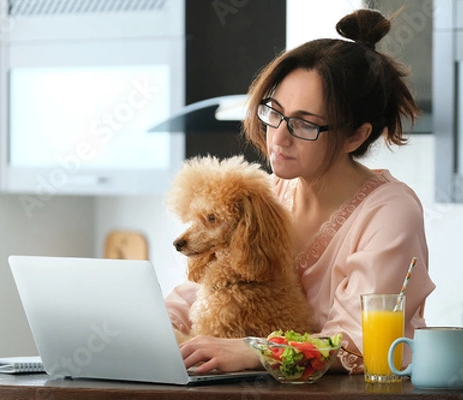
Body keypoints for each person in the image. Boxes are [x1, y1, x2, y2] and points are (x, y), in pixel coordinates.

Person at [165, 8, 436, 375]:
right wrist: (152, 324)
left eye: (304, 124)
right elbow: (204, 290)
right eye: (274, 112)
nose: (278, 136)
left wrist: (254, 351)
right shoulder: (266, 194)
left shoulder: (389, 212)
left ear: (355, 135)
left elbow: (356, 340)